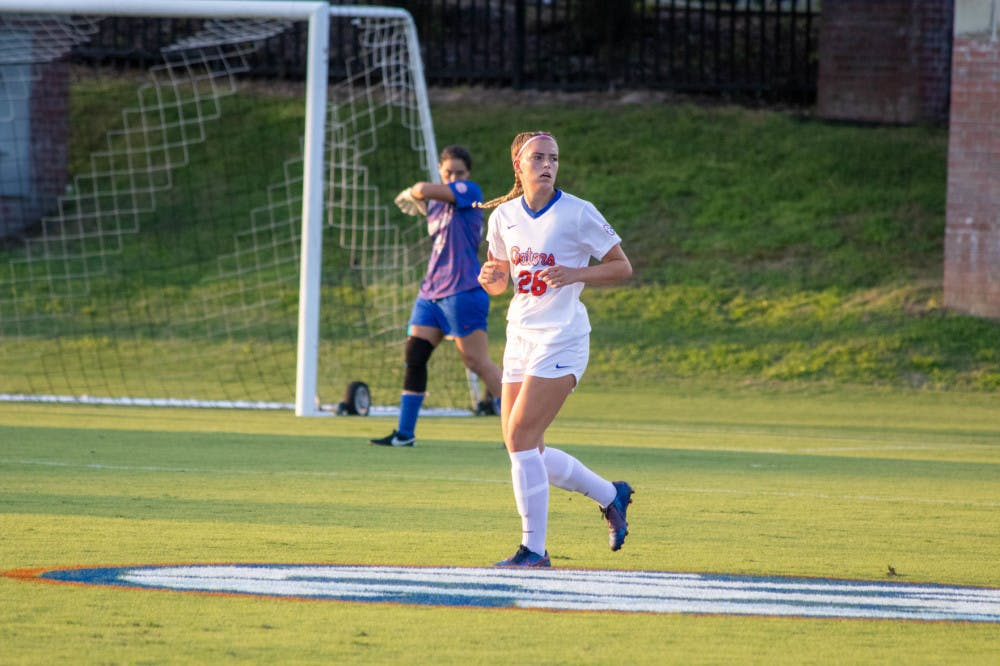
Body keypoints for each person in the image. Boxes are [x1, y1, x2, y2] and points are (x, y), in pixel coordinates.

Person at [477, 130, 634, 567]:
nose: (547, 165)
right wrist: (490, 280)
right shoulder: (503, 217)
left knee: (522, 437)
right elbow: (501, 277)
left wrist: (573, 273)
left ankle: (534, 550)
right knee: (521, 446)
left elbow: (622, 267)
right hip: (521, 336)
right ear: (518, 166)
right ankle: (610, 494)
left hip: (562, 336)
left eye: (554, 159)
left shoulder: (578, 213)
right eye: (539, 158)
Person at [371, 145, 502, 447]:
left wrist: (417, 191)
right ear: (441, 173)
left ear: (467, 175)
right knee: (414, 357)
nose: (454, 177)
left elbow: (423, 188)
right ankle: (404, 434)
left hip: (463, 290)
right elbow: (431, 197)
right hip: (431, 292)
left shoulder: (469, 190)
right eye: (448, 173)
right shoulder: (437, 204)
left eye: (459, 172)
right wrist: (423, 197)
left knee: (476, 362)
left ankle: (522, 430)